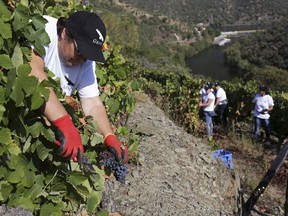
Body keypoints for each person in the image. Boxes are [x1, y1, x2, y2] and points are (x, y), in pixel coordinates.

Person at [29, 11, 129, 163]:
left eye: (87, 54)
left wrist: (109, 136)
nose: (83, 58)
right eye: (80, 50)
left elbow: (93, 103)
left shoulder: (85, 61)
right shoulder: (42, 28)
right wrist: (64, 122)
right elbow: (33, 73)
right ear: (64, 33)